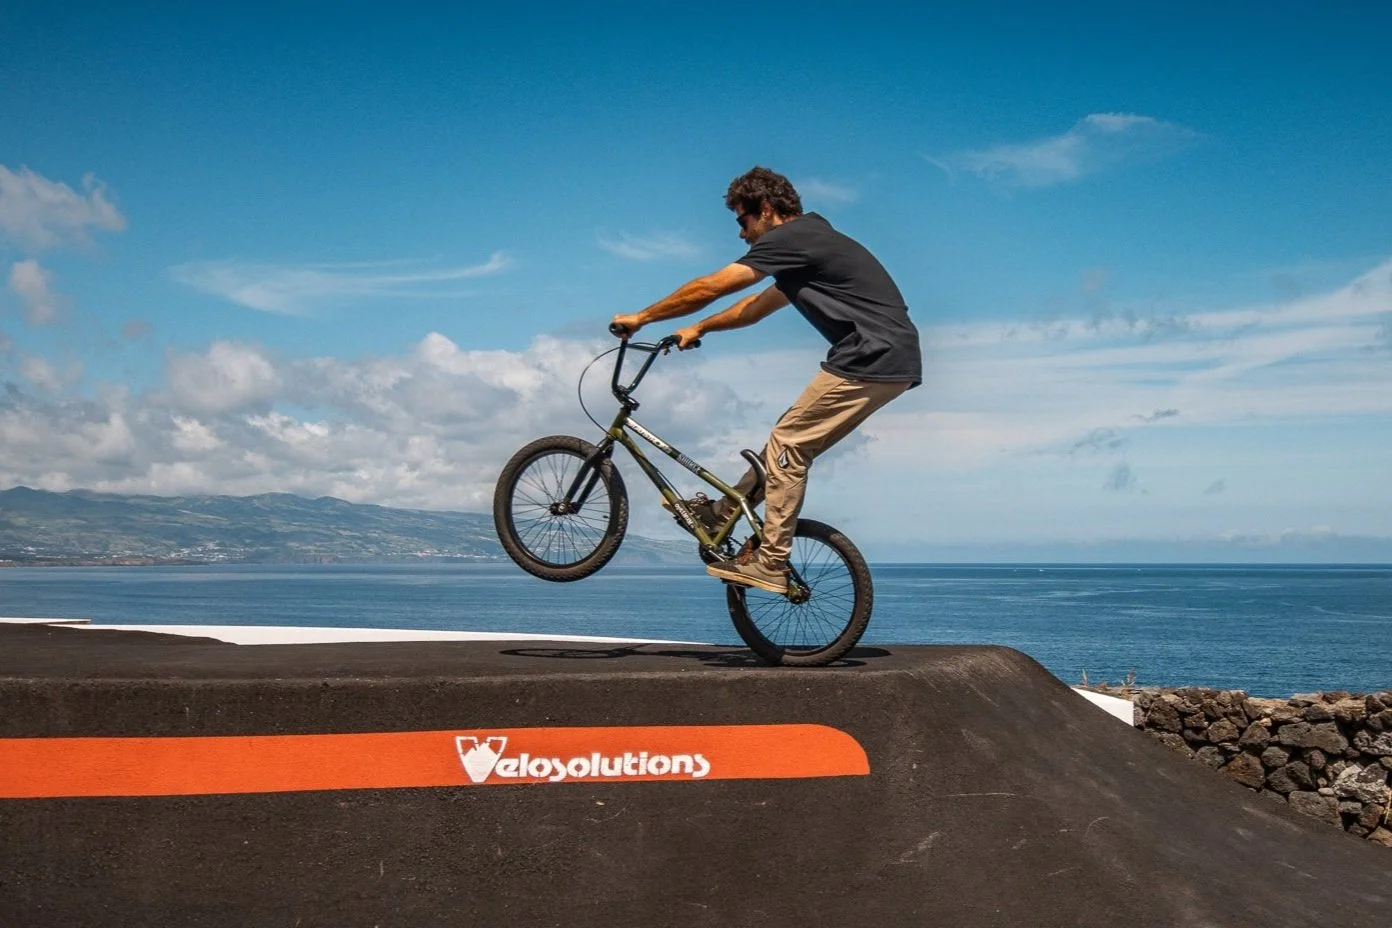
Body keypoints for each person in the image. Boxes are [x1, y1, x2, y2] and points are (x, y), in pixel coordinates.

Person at [610, 166, 921, 595]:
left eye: (743, 221)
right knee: (780, 447)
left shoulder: (792, 239)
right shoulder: (806, 248)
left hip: (873, 355)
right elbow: (754, 308)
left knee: (788, 444)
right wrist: (700, 328)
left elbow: (713, 285)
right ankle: (721, 514)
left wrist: (642, 317)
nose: (741, 234)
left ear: (768, 210)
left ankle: (772, 562)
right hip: (883, 359)